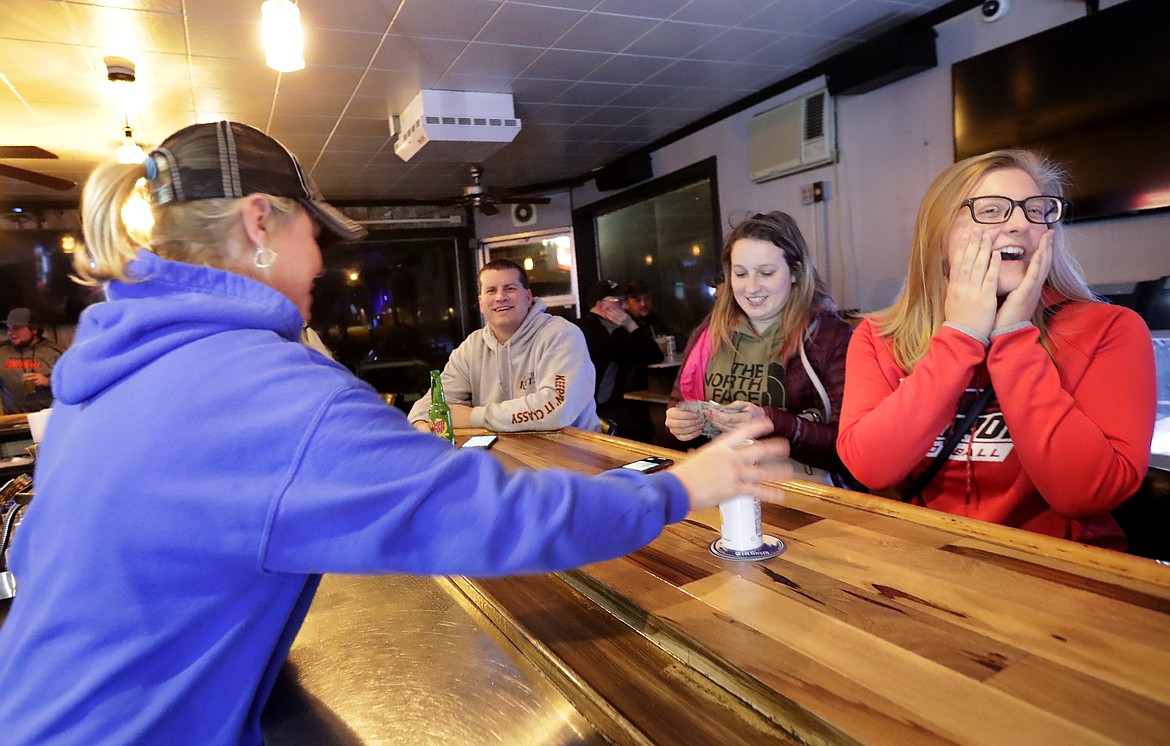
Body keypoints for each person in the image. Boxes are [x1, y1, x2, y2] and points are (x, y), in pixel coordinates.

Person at [0, 121, 793, 745]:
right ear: (260, 223)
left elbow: (44, 558)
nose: (320, 263)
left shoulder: (98, 376)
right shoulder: (266, 387)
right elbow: (491, 517)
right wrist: (682, 487)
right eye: (316, 234)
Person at [837, 149, 1156, 549]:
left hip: (1059, 572)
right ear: (938, 236)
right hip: (924, 562)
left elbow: (1085, 494)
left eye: (1036, 210)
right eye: (991, 210)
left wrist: (1015, 339)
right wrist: (960, 338)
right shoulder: (878, 336)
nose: (1021, 224)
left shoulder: (1111, 330)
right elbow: (871, 467)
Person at [665, 212, 855, 485]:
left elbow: (846, 446)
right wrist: (680, 424)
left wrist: (770, 421)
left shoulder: (830, 337)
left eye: (766, 272)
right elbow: (678, 405)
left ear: (794, 273)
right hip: (723, 487)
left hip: (803, 495)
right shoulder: (710, 331)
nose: (751, 287)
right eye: (740, 273)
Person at [407, 259, 600, 432]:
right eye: (491, 290)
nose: (501, 297)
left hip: (574, 454)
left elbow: (556, 409)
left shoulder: (561, 334)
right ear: (481, 303)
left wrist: (473, 417)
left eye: (510, 288)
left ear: (528, 296)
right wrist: (422, 424)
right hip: (509, 451)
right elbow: (432, 403)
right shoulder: (473, 346)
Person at [578, 278, 664, 442]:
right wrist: (631, 325)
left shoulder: (577, 326)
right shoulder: (612, 333)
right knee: (646, 427)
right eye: (619, 301)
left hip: (577, 411)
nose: (624, 307)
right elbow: (654, 354)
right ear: (600, 305)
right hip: (600, 412)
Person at [0, 307, 62, 414]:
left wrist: (49, 382)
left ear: (34, 329)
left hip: (48, 416)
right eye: (9, 328)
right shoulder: (2, 352)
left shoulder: (55, 352)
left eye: (17, 328)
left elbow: (74, 385)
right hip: (14, 418)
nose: (10, 332)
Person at [625, 279, 682, 349]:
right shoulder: (623, 325)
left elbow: (682, 339)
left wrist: (663, 341)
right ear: (627, 304)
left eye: (647, 299)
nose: (643, 304)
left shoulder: (658, 319)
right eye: (638, 300)